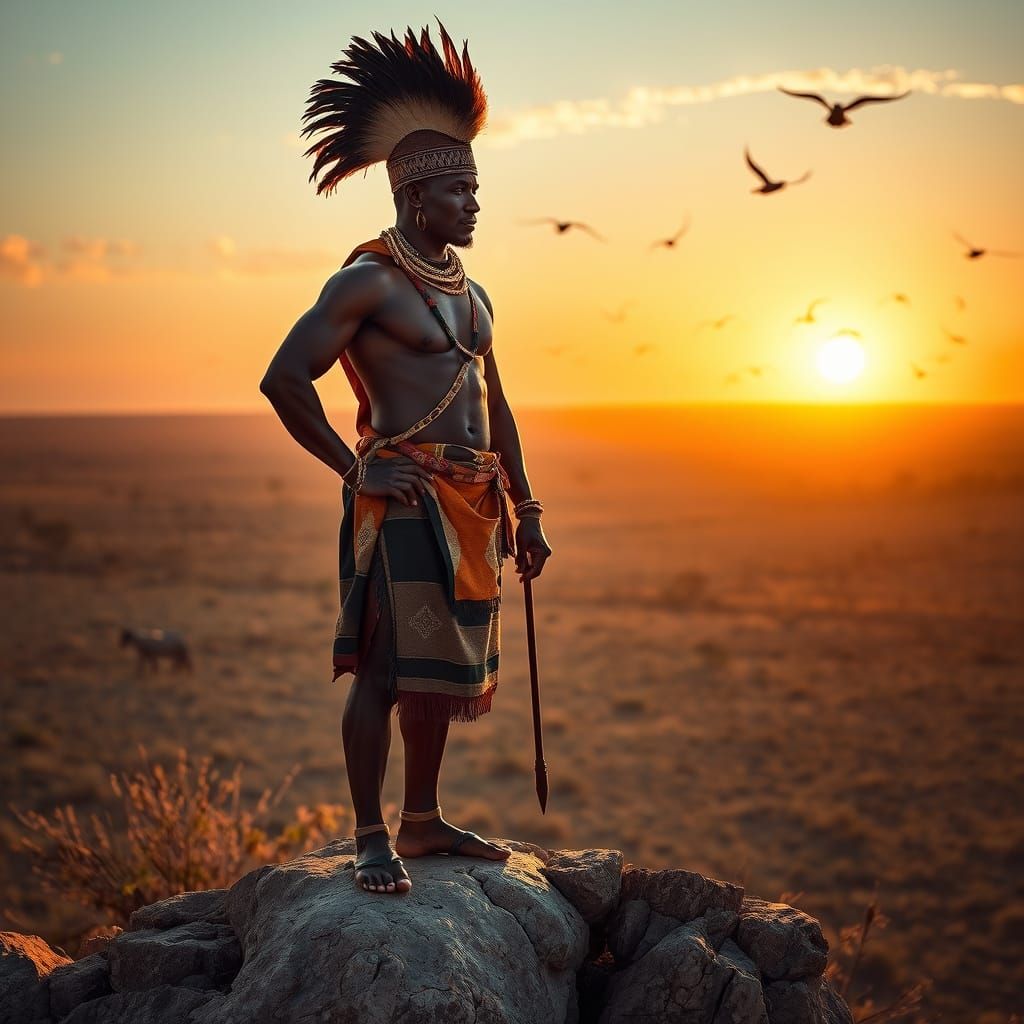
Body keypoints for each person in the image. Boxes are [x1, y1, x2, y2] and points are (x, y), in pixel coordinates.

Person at [259, 21, 552, 896]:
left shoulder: (476, 292)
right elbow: (283, 379)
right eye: (461, 190)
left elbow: (495, 406)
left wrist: (527, 509)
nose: (473, 204)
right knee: (388, 671)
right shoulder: (367, 282)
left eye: (475, 188)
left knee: (439, 673)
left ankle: (422, 822)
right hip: (402, 495)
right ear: (417, 195)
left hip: (472, 505)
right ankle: (370, 834)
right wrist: (357, 473)